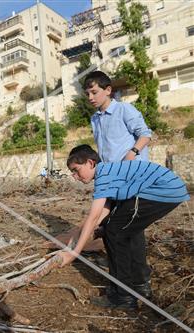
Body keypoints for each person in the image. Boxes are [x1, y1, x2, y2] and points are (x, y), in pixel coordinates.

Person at [59, 145, 189, 309]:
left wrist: (73, 253)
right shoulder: (110, 171)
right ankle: (140, 286)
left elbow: (93, 217)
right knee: (124, 228)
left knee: (114, 232)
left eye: (76, 170)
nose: (75, 176)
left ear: (91, 163)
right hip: (170, 189)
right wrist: (84, 233)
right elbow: (103, 213)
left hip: (163, 190)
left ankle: (124, 297)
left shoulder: (104, 175)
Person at [84, 70, 154, 297]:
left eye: (94, 92)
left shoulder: (124, 109)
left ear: (108, 90)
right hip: (111, 180)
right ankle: (122, 285)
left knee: (131, 232)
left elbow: (145, 134)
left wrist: (132, 153)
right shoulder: (95, 119)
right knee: (110, 231)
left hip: (131, 178)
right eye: (87, 93)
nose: (90, 97)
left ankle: (141, 284)